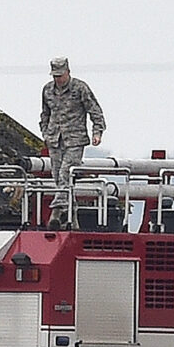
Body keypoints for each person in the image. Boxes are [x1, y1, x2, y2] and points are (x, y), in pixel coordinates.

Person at [40, 57, 105, 225]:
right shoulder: (47, 90)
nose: (58, 79)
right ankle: (72, 216)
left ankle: (55, 212)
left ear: (68, 72)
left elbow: (95, 110)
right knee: (58, 178)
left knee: (66, 173)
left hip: (75, 139)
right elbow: (45, 113)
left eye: (60, 75)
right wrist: (45, 133)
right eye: (55, 76)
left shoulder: (80, 88)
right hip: (54, 139)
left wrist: (97, 132)